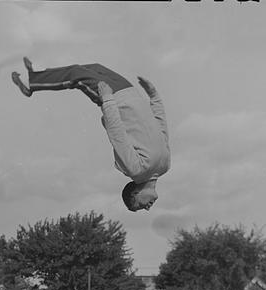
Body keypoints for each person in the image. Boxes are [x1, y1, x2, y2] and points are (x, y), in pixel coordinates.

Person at [12, 57, 170, 212]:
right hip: (130, 92)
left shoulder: (136, 170)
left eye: (140, 206)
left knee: (76, 74)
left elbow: (118, 134)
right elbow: (162, 128)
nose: (148, 208)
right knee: (95, 67)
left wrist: (107, 99)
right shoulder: (165, 166)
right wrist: (154, 96)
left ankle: (31, 84)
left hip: (116, 100)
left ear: (134, 194)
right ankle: (37, 76)